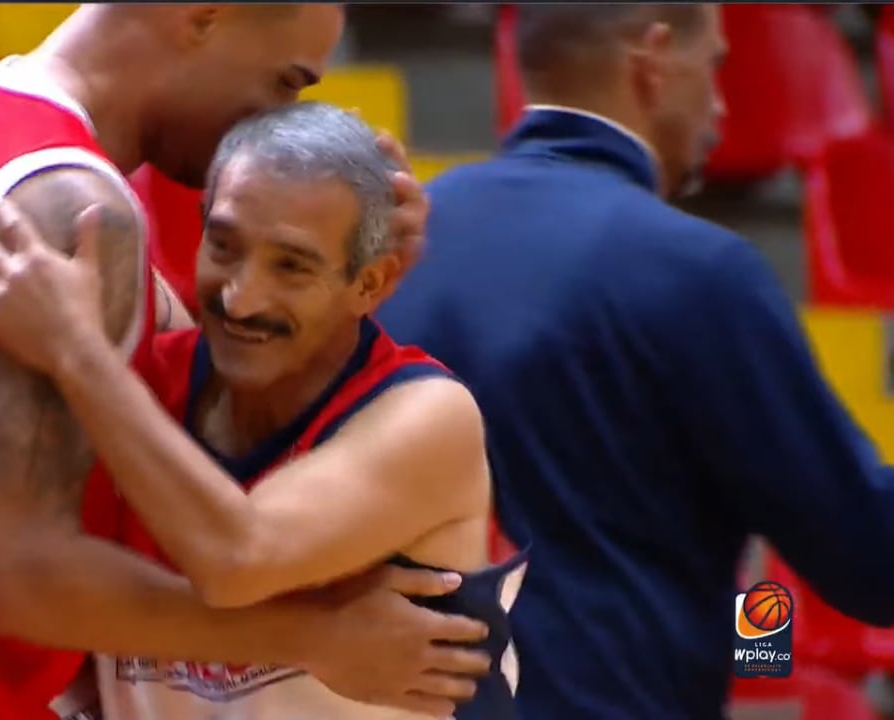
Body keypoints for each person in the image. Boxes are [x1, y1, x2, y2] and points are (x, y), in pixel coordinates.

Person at [0, 5, 488, 719]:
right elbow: (23, 579)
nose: (276, 119)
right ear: (201, 17)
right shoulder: (77, 209)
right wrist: (313, 638)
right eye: (284, 80)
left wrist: (350, 256)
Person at [375, 5, 894, 719]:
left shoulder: (397, 244)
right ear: (652, 59)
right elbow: (870, 560)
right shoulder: (699, 271)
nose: (719, 103)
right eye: (713, 66)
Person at [0, 101, 527, 720]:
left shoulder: (428, 417)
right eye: (223, 247)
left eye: (291, 267)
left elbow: (237, 559)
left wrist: (74, 349)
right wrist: (311, 635)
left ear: (369, 284)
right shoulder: (143, 384)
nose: (242, 298)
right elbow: (23, 585)